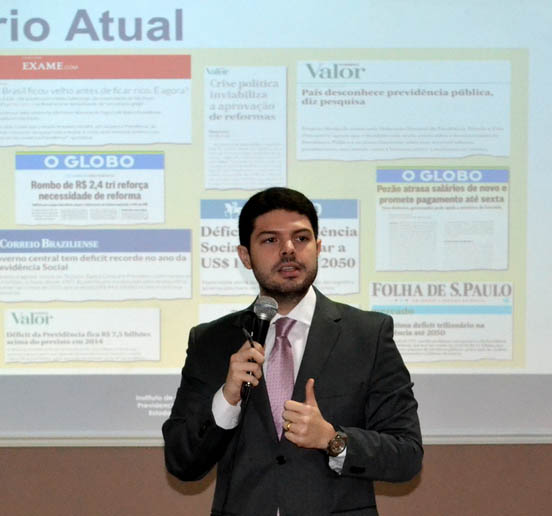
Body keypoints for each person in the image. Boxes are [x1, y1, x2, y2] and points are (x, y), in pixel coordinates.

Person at [163, 187, 422, 516]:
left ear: (318, 247)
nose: (288, 249)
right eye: (270, 240)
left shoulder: (367, 336)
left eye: (301, 238)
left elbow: (406, 455)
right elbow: (181, 462)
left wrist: (332, 439)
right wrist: (227, 399)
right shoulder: (211, 342)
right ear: (245, 256)